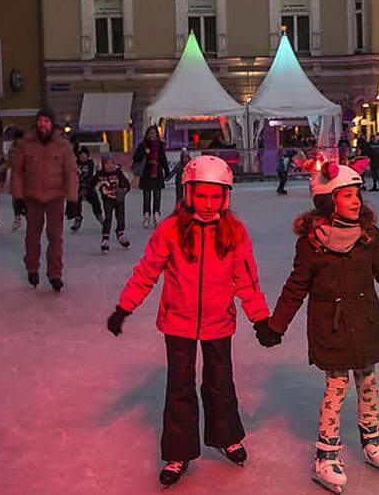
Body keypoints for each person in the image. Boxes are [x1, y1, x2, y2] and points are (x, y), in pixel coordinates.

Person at [105, 155, 270, 487]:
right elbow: (147, 271)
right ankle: (178, 451)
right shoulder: (171, 230)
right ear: (188, 193)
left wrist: (261, 318)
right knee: (179, 385)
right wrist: (124, 307)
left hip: (218, 321)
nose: (208, 205)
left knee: (219, 381)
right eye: (201, 196)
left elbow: (246, 278)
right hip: (178, 322)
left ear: (225, 197)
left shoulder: (234, 231)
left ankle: (225, 436)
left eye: (215, 197)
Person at [261, 162, 379, 492]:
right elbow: (296, 286)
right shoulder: (311, 242)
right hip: (331, 326)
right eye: (347, 195)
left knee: (368, 383)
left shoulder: (368, 235)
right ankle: (326, 453)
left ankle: (371, 441)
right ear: (327, 201)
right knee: (336, 388)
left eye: (357, 193)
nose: (356, 200)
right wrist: (276, 325)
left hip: (365, 320)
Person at [10, 109, 79, 291]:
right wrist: (17, 198)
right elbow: (17, 172)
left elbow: (71, 174)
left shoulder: (63, 146)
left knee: (55, 238)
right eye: (40, 120)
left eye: (46, 121)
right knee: (32, 237)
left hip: (55, 198)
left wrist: (72, 200)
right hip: (32, 198)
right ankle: (32, 268)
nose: (43, 124)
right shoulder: (26, 145)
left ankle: (55, 274)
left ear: (52, 124)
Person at [133, 125, 170, 227]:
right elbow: (136, 158)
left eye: (154, 133)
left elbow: (163, 159)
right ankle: (146, 215)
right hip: (146, 173)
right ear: (147, 134)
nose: (152, 135)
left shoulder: (160, 146)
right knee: (147, 196)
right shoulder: (143, 145)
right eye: (150, 133)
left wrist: (167, 172)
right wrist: (144, 152)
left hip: (157, 173)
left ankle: (156, 214)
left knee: (157, 195)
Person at [95, 156, 131, 253]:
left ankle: (120, 234)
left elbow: (127, 184)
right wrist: (85, 191)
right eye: (107, 164)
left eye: (111, 163)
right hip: (107, 200)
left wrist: (123, 191)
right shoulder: (100, 174)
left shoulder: (118, 172)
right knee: (108, 218)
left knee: (121, 217)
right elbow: (92, 183)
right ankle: (105, 238)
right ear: (103, 165)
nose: (109, 166)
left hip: (119, 200)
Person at [72, 147, 102, 233]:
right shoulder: (76, 163)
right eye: (81, 155)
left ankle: (100, 217)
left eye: (84, 155)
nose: (82, 157)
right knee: (77, 201)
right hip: (78, 186)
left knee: (95, 202)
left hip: (89, 186)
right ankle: (77, 219)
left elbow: (90, 177)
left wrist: (86, 188)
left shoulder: (90, 163)